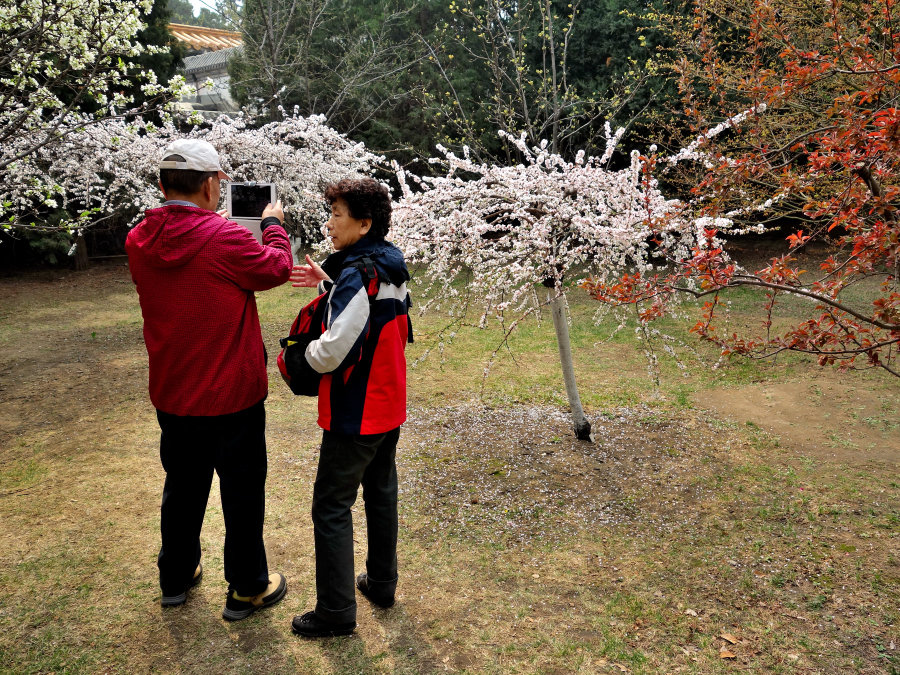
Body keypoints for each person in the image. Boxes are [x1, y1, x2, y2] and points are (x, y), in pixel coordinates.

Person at [126, 138, 292, 621]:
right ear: (211, 185)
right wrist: (272, 226)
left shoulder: (139, 240)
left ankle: (175, 576)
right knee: (241, 492)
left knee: (182, 485)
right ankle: (247, 588)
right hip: (232, 395)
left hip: (174, 391)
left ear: (161, 185)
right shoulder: (225, 238)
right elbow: (276, 268)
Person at [288, 178, 412, 638]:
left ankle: (336, 611)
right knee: (381, 494)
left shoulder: (358, 274)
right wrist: (331, 280)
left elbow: (335, 348)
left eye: (338, 214)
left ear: (365, 224)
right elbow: (379, 321)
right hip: (388, 403)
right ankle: (381, 583)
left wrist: (297, 360)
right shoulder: (389, 266)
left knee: (332, 506)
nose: (330, 222)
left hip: (355, 411)